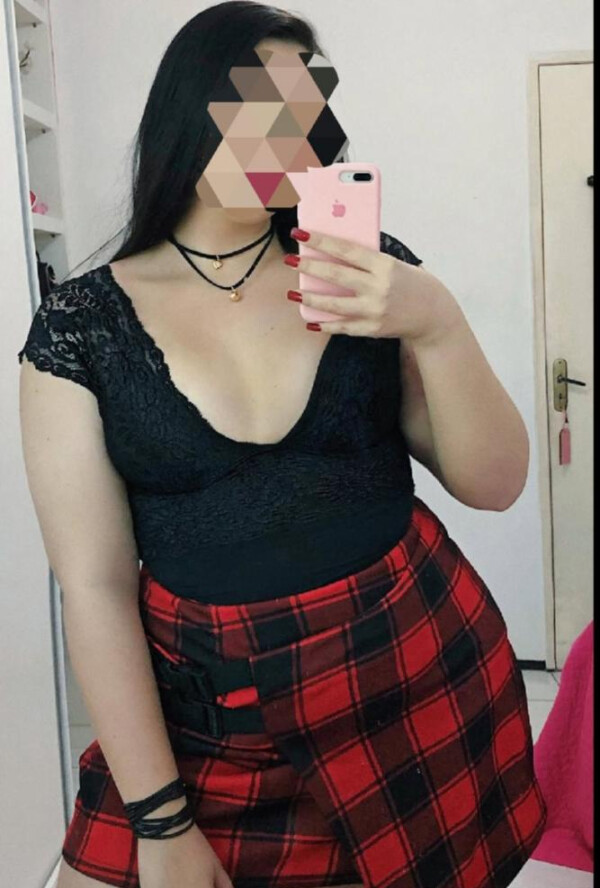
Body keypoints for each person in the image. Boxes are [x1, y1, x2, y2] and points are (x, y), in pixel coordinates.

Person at [17, 4, 546, 888]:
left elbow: (494, 484)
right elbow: (96, 586)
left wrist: (440, 324)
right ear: (189, 111)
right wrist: (159, 818)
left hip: (412, 668)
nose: (291, 136)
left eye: (308, 112)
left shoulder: (367, 273)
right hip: (208, 714)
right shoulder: (82, 325)